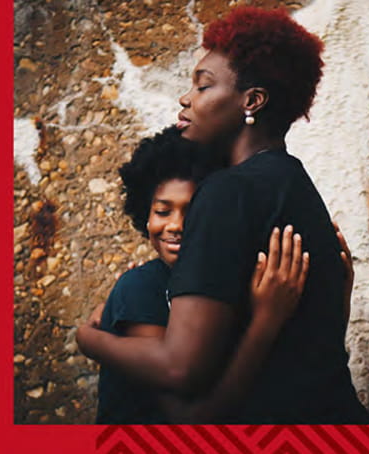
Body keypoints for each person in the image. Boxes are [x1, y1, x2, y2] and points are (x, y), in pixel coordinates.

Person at [77, 7, 369, 423]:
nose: (186, 98)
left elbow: (180, 369)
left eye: (203, 85)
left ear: (252, 101)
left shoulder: (228, 192)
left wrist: (89, 339)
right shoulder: (296, 185)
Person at [91, 126, 310, 424]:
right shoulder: (141, 287)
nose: (176, 225)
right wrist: (266, 321)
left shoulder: (223, 283)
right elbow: (189, 418)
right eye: (163, 211)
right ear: (145, 215)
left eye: (193, 211)